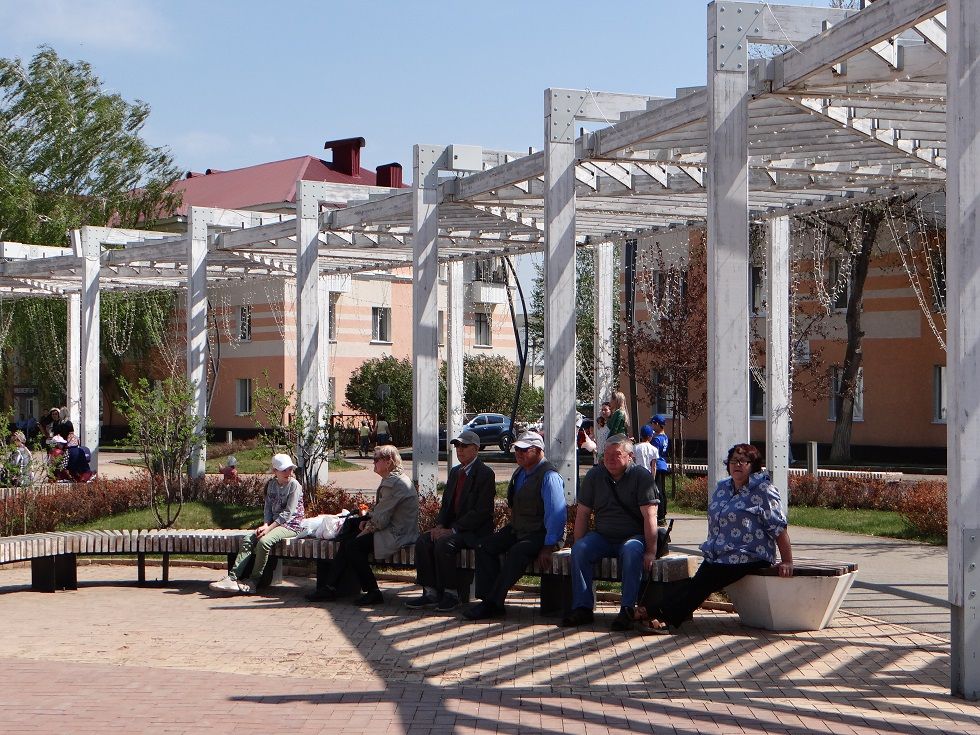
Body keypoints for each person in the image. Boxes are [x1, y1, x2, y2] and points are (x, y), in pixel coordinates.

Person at [638, 443, 793, 634]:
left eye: (744, 461)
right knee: (697, 581)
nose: (737, 465)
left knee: (704, 582)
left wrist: (787, 561)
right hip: (720, 554)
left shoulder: (763, 490)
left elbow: (779, 527)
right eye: (734, 461)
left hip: (750, 554)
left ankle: (663, 617)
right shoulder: (723, 488)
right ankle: (658, 612)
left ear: (753, 465)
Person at [462, 431, 566, 620]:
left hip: (541, 534)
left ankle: (492, 602)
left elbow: (556, 515)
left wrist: (548, 547)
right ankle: (490, 601)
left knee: (518, 553)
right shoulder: (520, 472)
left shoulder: (549, 477)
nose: (518, 453)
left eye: (524, 450)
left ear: (538, 450)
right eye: (517, 449)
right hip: (519, 529)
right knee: (484, 546)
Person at [562, 434, 659, 631]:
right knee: (580, 549)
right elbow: (582, 514)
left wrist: (650, 551)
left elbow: (650, 517)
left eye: (616, 455)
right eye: (606, 454)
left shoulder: (641, 477)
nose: (610, 459)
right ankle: (582, 607)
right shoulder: (594, 476)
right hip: (603, 537)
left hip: (632, 537)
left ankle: (627, 609)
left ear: (630, 456)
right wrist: (576, 544)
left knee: (632, 551)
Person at [307, 444, 418, 605]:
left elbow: (380, 520)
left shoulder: (395, 484)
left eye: (376, 459)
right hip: (392, 528)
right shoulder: (393, 479)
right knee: (350, 532)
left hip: (397, 534)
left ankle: (372, 591)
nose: (373, 463)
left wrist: (366, 527)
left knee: (353, 545)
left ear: (388, 462)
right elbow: (382, 512)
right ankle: (329, 587)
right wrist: (365, 521)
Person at [406, 429, 496, 612]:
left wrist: (452, 530)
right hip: (453, 528)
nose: (459, 450)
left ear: (476, 449)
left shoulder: (485, 474)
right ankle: (430, 592)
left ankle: (451, 594)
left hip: (474, 532)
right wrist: (439, 525)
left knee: (444, 544)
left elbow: (481, 512)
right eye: (457, 446)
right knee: (424, 540)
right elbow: (446, 505)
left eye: (464, 446)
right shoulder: (455, 472)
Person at [210, 453, 305, 595]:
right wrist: (266, 524)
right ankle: (232, 577)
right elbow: (267, 508)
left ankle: (254, 581)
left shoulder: (294, 486)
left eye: (290, 469)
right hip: (274, 524)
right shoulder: (271, 485)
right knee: (249, 538)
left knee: (264, 542)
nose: (288, 473)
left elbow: (288, 513)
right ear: (275, 471)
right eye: (284, 470)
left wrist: (269, 529)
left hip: (292, 525)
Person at [650, 415, 670, 526]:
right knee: (662, 491)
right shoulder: (665, 437)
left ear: (657, 424)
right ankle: (664, 513)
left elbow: (653, 454)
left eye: (652, 423)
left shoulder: (656, 440)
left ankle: (660, 515)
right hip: (663, 464)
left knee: (658, 491)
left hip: (657, 465)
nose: (652, 426)